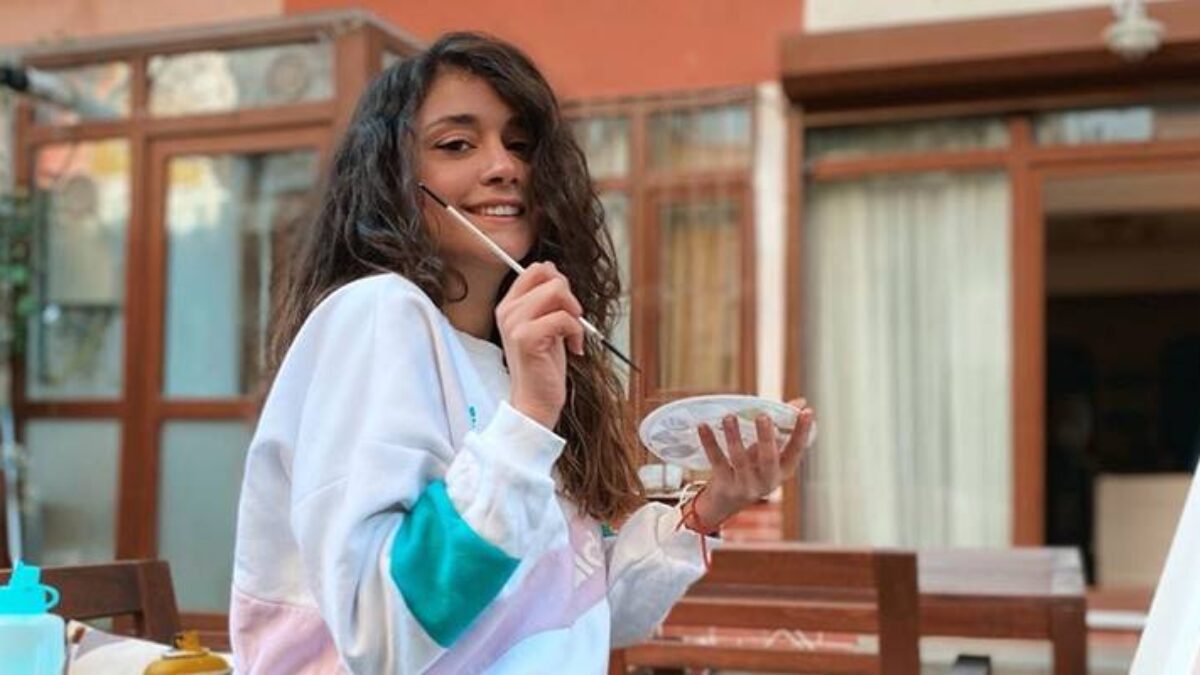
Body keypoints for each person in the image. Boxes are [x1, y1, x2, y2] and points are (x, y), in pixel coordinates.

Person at [229, 31, 815, 674]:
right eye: (456, 144)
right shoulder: (378, 314)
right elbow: (381, 631)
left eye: (521, 144)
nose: (504, 166)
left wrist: (712, 505)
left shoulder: (513, 358)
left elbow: (581, 608)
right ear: (391, 178)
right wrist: (528, 417)